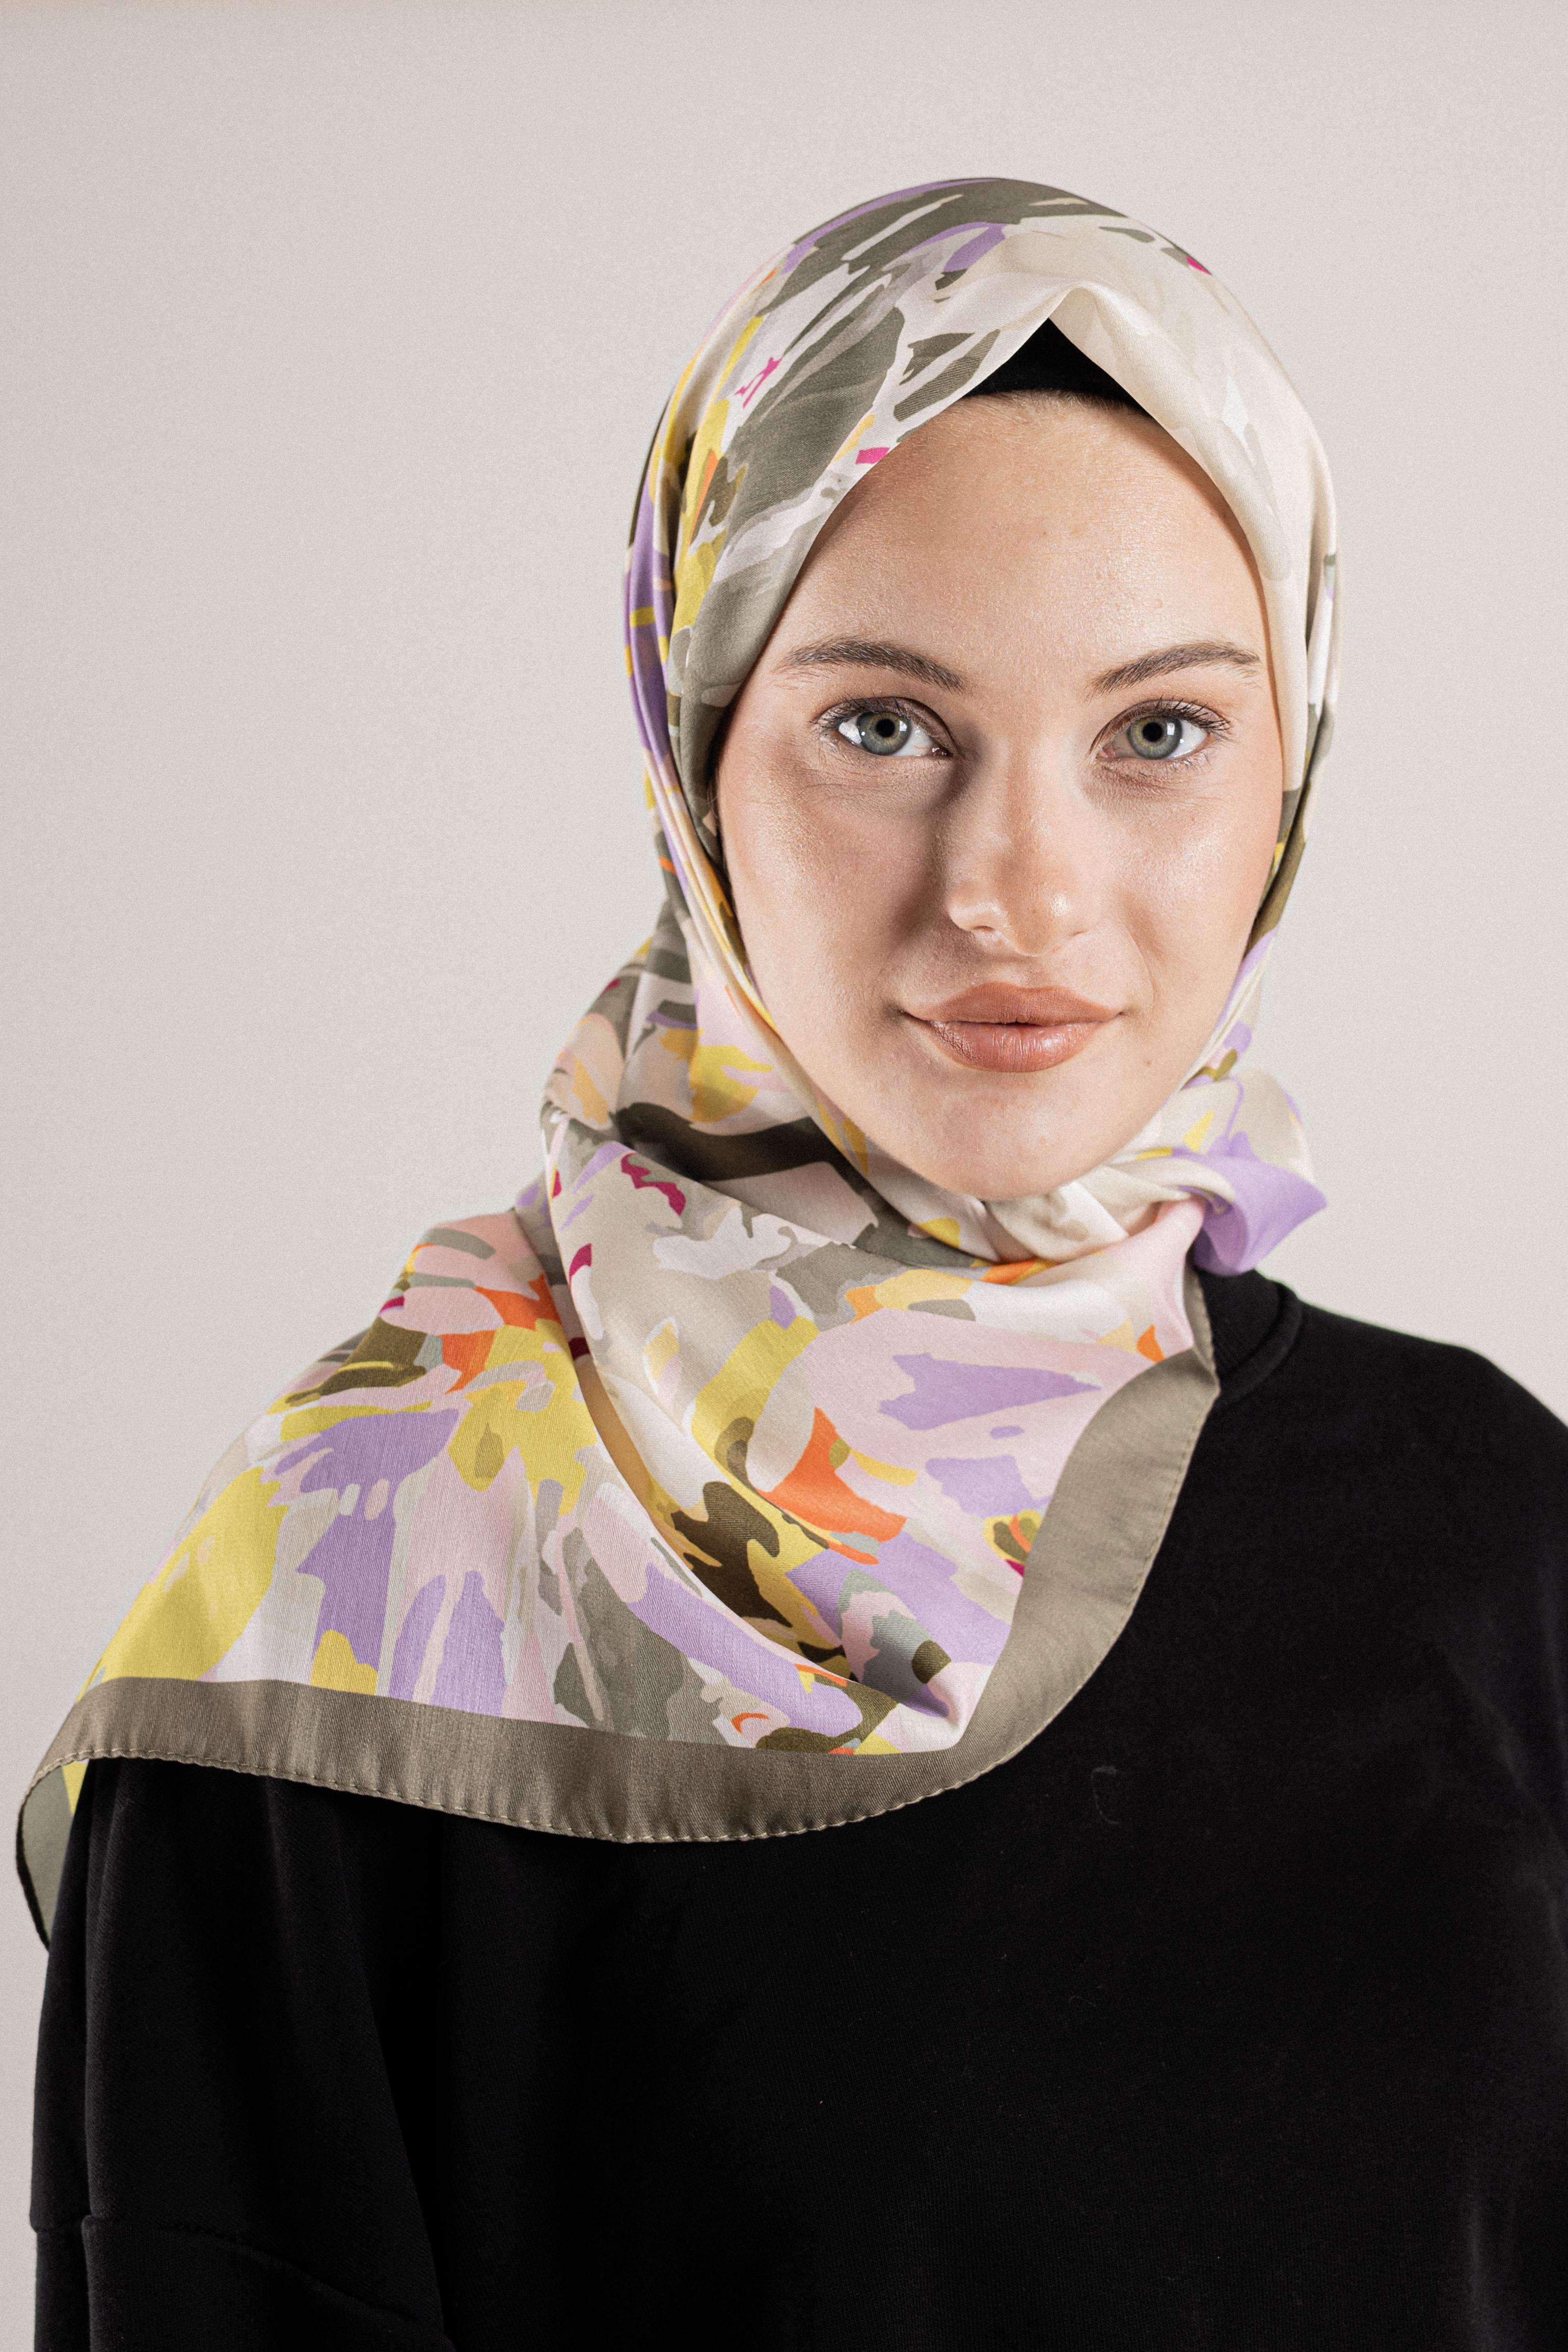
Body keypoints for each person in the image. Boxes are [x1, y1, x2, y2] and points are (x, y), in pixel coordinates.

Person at [24, 178, 1568, 2350]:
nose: (1019, 889)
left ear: (1286, 764)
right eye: (883, 725)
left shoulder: (1489, 1526)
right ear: (694, 750)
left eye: (1155, 733)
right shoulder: (348, 1606)